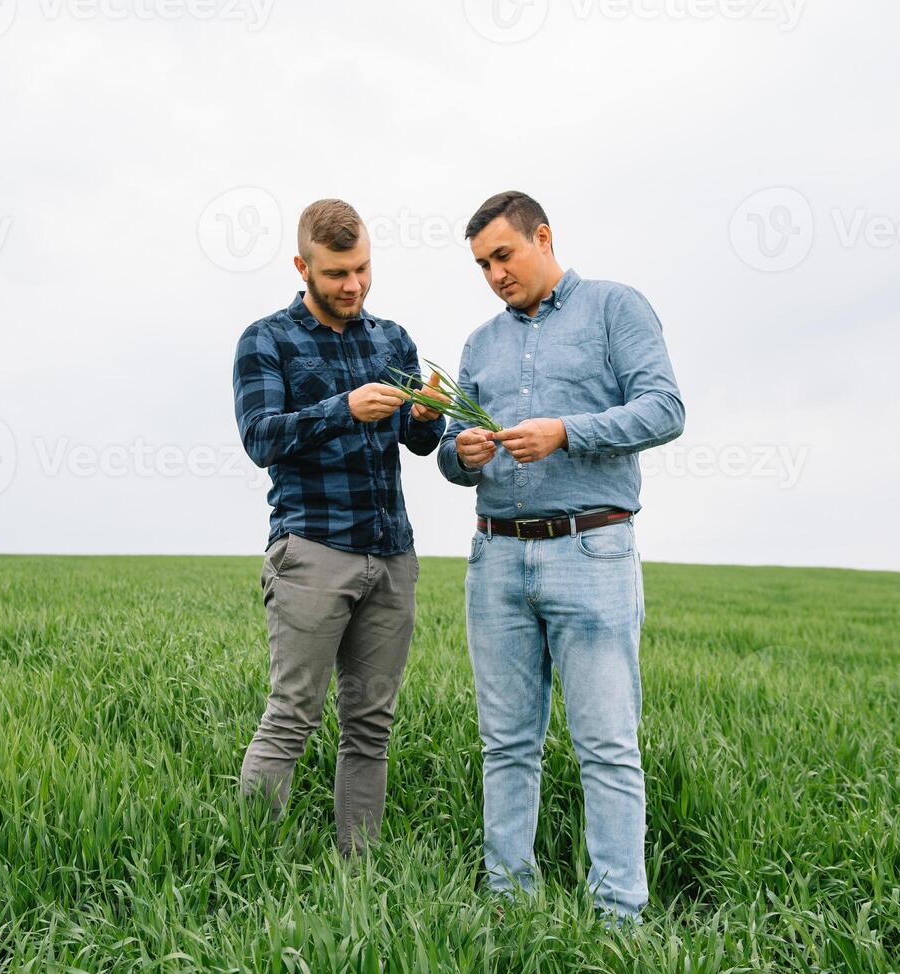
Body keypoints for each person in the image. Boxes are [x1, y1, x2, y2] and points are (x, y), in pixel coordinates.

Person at [438, 190, 685, 922]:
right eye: (482, 264)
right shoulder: (480, 344)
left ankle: (619, 919)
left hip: (591, 548)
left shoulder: (615, 308)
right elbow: (452, 462)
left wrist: (565, 432)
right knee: (505, 745)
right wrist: (464, 451)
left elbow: (665, 408)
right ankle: (509, 906)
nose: (494, 275)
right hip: (497, 560)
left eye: (504, 256)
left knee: (606, 746)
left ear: (543, 237)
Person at [233, 198, 446, 859]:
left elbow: (421, 441)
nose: (352, 285)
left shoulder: (392, 340)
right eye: (335, 274)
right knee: (291, 718)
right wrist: (342, 408)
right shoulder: (266, 339)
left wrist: (426, 416)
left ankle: (360, 873)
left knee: (370, 727)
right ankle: (249, 864)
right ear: (303, 267)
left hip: (391, 555)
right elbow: (260, 437)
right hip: (313, 552)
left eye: (361, 269)